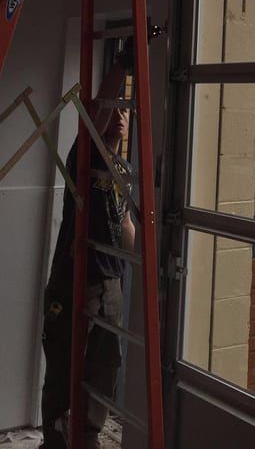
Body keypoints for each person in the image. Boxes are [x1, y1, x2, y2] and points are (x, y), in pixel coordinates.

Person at [41, 51, 136, 449]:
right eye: (111, 111)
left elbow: (126, 227)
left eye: (122, 112)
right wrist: (121, 68)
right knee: (65, 365)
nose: (118, 117)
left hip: (110, 282)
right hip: (74, 281)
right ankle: (56, 440)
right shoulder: (84, 158)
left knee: (103, 366)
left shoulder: (122, 170)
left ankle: (87, 436)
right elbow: (97, 116)